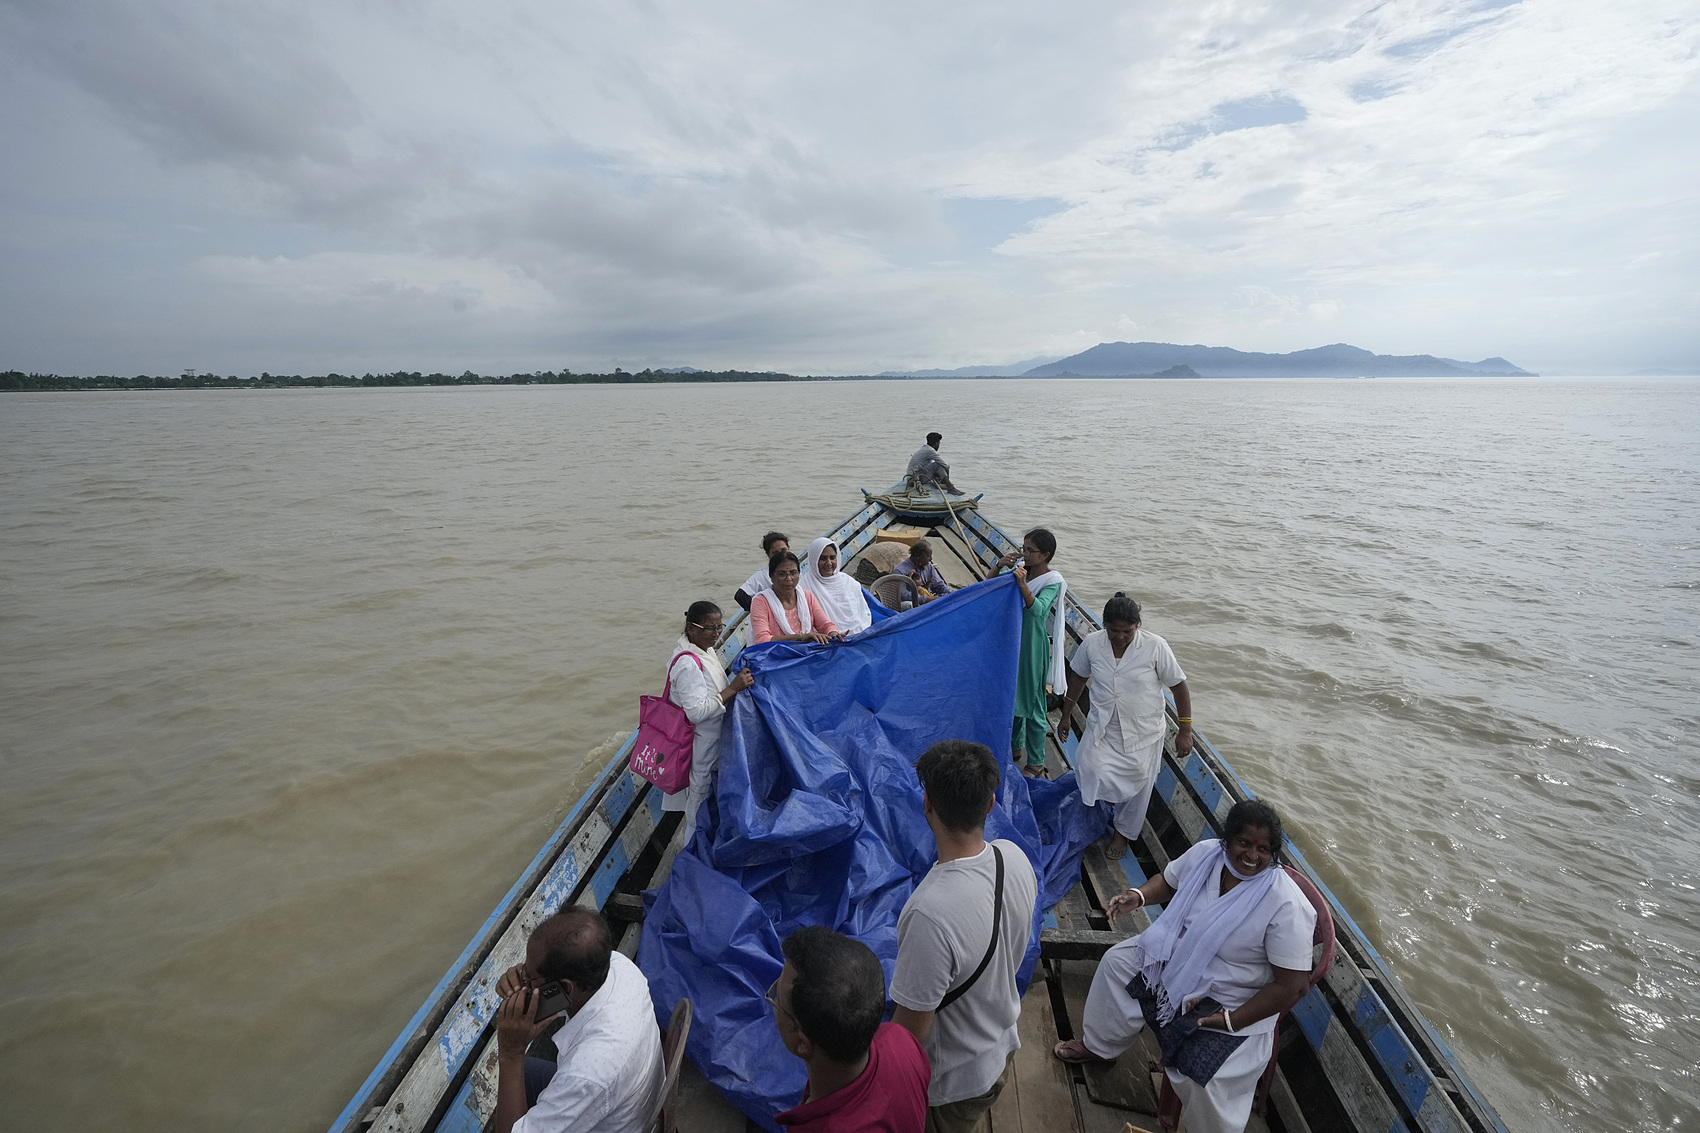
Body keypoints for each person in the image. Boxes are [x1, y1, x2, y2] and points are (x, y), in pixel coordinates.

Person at [1052, 800, 1315, 1133]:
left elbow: (1293, 986)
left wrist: (1230, 1021)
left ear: (1274, 853)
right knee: (1117, 963)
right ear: (1226, 840)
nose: (1252, 855)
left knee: (1211, 1078)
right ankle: (1099, 1046)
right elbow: (1169, 880)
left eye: (1264, 849)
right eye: (1244, 843)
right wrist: (1139, 896)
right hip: (1180, 957)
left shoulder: (1286, 903)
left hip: (1234, 996)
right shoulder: (1207, 855)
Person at [891, 741, 1038, 1133]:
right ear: (991, 804)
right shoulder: (1015, 859)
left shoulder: (928, 913)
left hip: (952, 1085)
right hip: (1002, 1047)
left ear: (927, 805)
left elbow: (907, 1037)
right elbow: (1016, 950)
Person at [492, 909, 665, 1133]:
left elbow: (585, 1075)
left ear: (563, 988)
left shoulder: (586, 1072)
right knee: (525, 1072)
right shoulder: (620, 968)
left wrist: (511, 1053)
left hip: (618, 1112)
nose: (523, 976)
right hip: (630, 1105)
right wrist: (527, 985)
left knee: (514, 1068)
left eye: (530, 975)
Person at [1059, 593, 1192, 859]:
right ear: (1104, 626)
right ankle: (1089, 818)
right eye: (1114, 631)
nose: (1120, 637)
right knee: (1090, 768)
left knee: (1140, 786)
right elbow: (1078, 678)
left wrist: (1185, 731)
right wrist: (1066, 714)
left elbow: (1179, 687)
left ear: (1138, 626)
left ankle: (1123, 834)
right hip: (1104, 727)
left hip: (1144, 731)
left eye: (1127, 631)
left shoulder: (1155, 647)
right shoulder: (1092, 644)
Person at [770, 926, 931, 1133]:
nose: (773, 1002)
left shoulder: (817, 1128)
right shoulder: (902, 1042)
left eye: (776, 999)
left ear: (803, 1043)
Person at [664, 600, 754, 840]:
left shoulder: (705, 650)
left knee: (706, 792)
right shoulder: (687, 663)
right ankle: (691, 849)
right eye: (708, 628)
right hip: (698, 743)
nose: (715, 634)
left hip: (712, 738)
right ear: (691, 628)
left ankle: (703, 841)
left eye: (719, 627)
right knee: (698, 796)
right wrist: (732, 689)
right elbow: (695, 713)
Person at [994, 529, 1066, 778]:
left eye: (1030, 551)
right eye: (1023, 548)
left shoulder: (1052, 580)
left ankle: (1035, 762)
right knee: (1011, 693)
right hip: (1010, 639)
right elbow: (990, 587)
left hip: (1031, 646)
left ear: (1045, 555)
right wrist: (999, 566)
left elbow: (1038, 611)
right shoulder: (1019, 569)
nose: (1024, 554)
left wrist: (1023, 584)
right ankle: (1015, 747)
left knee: (1033, 703)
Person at [751, 550, 842, 644]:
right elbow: (762, 640)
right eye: (782, 574)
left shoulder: (807, 596)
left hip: (807, 652)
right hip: (777, 656)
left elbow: (824, 625)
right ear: (771, 576)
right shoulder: (761, 602)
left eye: (793, 573)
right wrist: (800, 637)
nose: (789, 579)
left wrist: (833, 633)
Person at [800, 537, 874, 638]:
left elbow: (862, 614)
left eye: (832, 557)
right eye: (823, 558)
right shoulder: (803, 586)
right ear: (813, 559)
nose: (829, 563)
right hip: (824, 639)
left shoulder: (848, 582)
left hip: (858, 635)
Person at [736, 531, 791, 611]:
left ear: (788, 548)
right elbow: (741, 596)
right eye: (775, 553)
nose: (780, 555)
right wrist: (761, 612)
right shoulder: (762, 575)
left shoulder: (795, 569)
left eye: (783, 550)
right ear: (767, 554)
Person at [893, 538, 952, 603]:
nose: (931, 559)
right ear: (918, 555)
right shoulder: (900, 571)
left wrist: (951, 595)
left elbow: (939, 585)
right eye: (928, 556)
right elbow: (903, 595)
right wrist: (927, 599)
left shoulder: (929, 567)